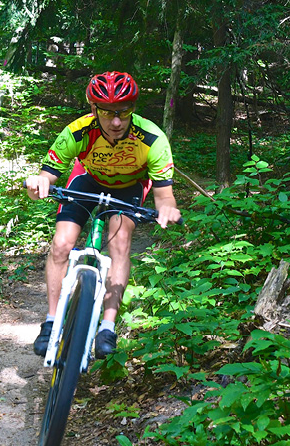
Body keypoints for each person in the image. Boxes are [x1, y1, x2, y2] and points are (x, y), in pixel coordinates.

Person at [24, 71, 182, 359]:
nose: (117, 121)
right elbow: (47, 175)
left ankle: (107, 326)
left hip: (128, 187)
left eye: (124, 112)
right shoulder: (78, 131)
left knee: (120, 242)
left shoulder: (152, 138)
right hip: (87, 179)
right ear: (94, 109)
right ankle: (50, 322)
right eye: (108, 113)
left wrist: (168, 208)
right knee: (61, 244)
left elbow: (164, 195)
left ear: (133, 108)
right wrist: (39, 184)